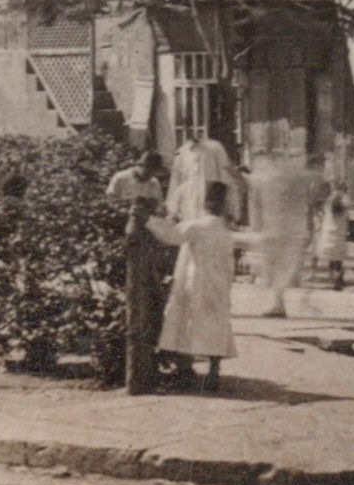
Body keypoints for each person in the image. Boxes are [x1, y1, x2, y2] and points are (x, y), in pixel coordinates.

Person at [146, 180, 256, 392]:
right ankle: (214, 370)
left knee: (189, 321)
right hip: (219, 283)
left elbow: (170, 236)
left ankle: (184, 368)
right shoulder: (223, 229)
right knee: (216, 323)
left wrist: (149, 220)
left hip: (198, 281)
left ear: (206, 203)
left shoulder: (197, 225)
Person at [104, 151, 172, 390]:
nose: (149, 175)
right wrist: (127, 210)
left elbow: (160, 209)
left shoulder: (153, 184)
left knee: (144, 295)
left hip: (145, 237)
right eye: (146, 170)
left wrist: (155, 213)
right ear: (139, 165)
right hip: (123, 234)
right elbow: (109, 206)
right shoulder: (121, 178)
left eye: (153, 172)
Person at [246, 151, 321, 319]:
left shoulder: (273, 178)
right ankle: (278, 303)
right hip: (280, 229)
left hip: (280, 230)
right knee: (276, 268)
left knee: (277, 267)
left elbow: (311, 196)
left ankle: (278, 303)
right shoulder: (284, 178)